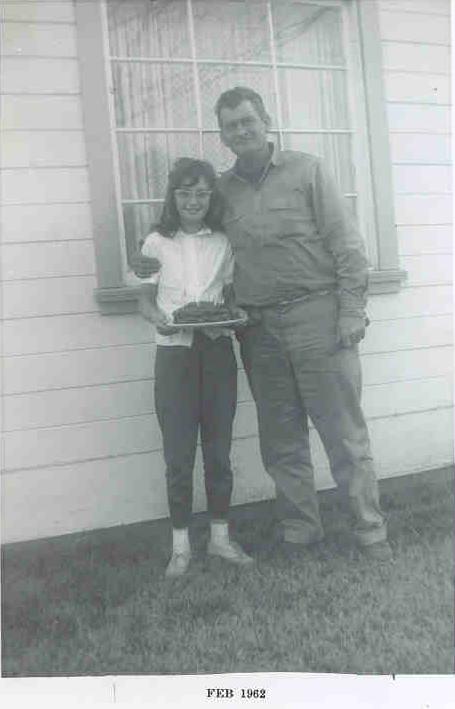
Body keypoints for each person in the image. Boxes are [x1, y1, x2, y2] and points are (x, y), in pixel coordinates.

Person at [134, 87, 392, 562]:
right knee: (281, 437)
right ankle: (301, 530)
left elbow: (348, 246)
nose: (241, 131)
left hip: (318, 317)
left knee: (343, 432)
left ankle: (370, 530)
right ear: (222, 135)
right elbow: (196, 241)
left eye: (247, 121)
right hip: (258, 329)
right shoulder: (222, 192)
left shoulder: (308, 171)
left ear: (266, 121)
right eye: (231, 125)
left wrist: (352, 310)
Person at [139, 157, 253, 578]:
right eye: (185, 193)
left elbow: (228, 298)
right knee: (178, 455)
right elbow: (145, 301)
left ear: (211, 198)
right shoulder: (155, 243)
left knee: (219, 451)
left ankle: (220, 539)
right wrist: (158, 319)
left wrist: (236, 314)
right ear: (173, 196)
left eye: (201, 194)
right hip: (174, 355)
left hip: (217, 352)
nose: (193, 201)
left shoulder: (222, 242)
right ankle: (181, 547)